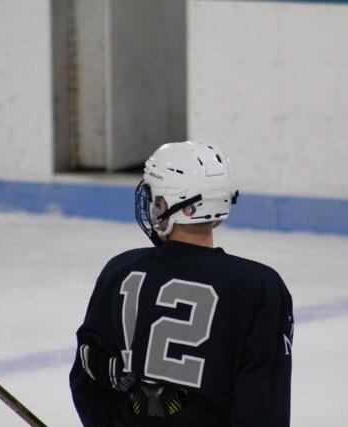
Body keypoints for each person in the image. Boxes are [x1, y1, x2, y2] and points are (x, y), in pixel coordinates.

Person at [69, 140, 293, 426]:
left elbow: (88, 377)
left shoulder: (121, 270)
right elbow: (262, 403)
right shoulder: (259, 287)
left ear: (165, 204)